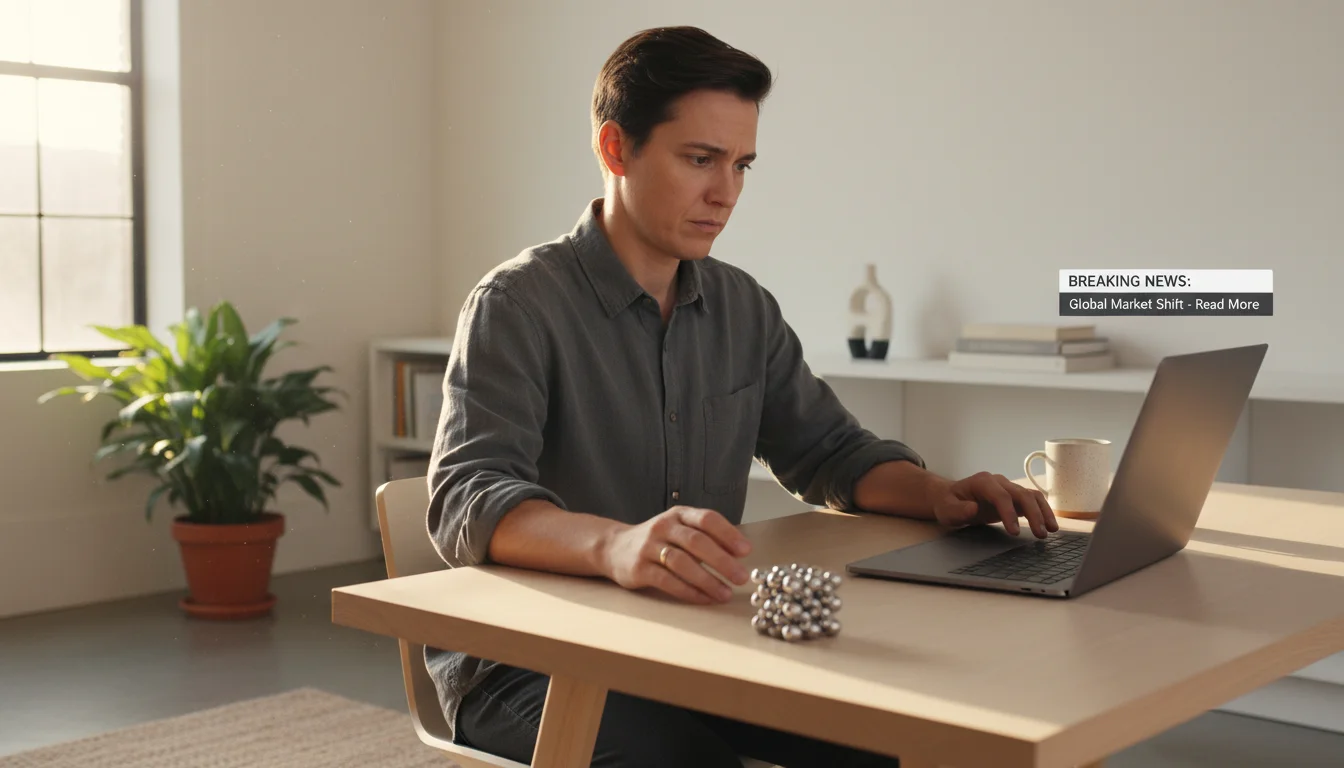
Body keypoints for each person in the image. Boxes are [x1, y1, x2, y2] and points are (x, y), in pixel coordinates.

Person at [425, 25, 1058, 768]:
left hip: (698, 641)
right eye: (700, 160)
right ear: (615, 148)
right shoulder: (517, 304)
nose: (725, 193)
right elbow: (466, 494)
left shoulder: (742, 308)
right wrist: (618, 545)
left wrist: (939, 494)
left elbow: (829, 451)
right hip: (530, 659)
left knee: (897, 740)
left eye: (741, 164)